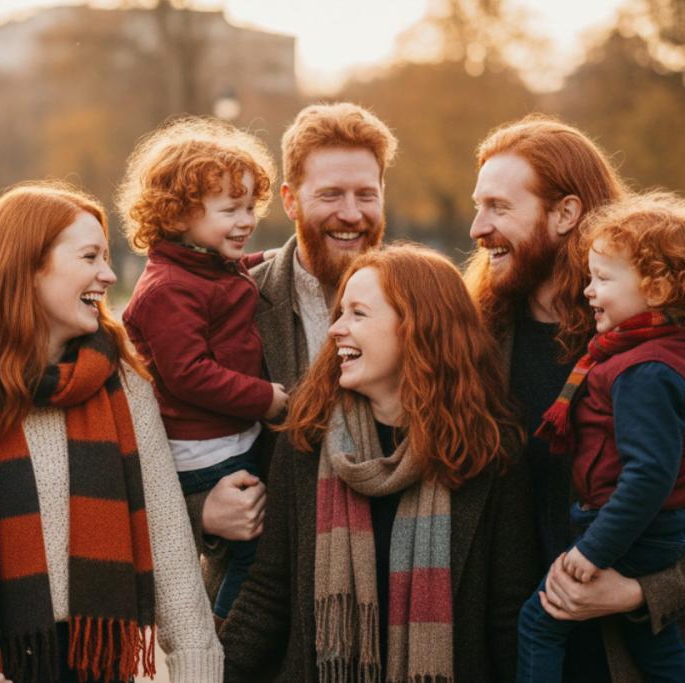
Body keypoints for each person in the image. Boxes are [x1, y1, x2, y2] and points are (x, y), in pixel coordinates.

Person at [0, 182, 222, 683]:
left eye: (107, 257)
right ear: (26, 268)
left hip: (100, 664)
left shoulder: (124, 385)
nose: (109, 275)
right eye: (90, 256)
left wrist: (198, 671)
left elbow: (170, 543)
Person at [219, 243, 539, 681]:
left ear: (417, 328)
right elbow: (269, 593)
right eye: (339, 312)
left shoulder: (489, 452)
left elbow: (508, 616)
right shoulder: (308, 439)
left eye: (358, 314)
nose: (336, 329)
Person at [467, 114, 685, 681]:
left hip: (622, 656)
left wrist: (641, 591)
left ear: (565, 213)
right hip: (503, 654)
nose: (476, 227)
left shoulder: (653, 355)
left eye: (498, 207)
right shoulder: (477, 341)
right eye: (477, 205)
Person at [186, 101, 400, 590]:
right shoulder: (224, 305)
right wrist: (203, 511)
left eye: (366, 194)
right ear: (290, 200)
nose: (351, 214)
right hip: (261, 594)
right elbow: (159, 450)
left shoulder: (427, 305)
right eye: (331, 195)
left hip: (395, 588)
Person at [118, 117, 287, 623]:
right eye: (230, 210)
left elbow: (231, 280)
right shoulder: (168, 289)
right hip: (205, 450)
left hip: (227, 437)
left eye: (251, 207)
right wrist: (267, 398)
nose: (245, 220)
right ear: (179, 215)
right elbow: (188, 373)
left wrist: (273, 258)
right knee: (253, 553)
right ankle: (220, 631)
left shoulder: (205, 262)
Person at [516, 191, 685, 680]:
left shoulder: (642, 371)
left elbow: (650, 474)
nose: (589, 291)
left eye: (603, 279)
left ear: (655, 290)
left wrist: (592, 550)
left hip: (632, 532)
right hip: (647, 531)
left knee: (540, 620)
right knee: (653, 643)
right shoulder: (651, 354)